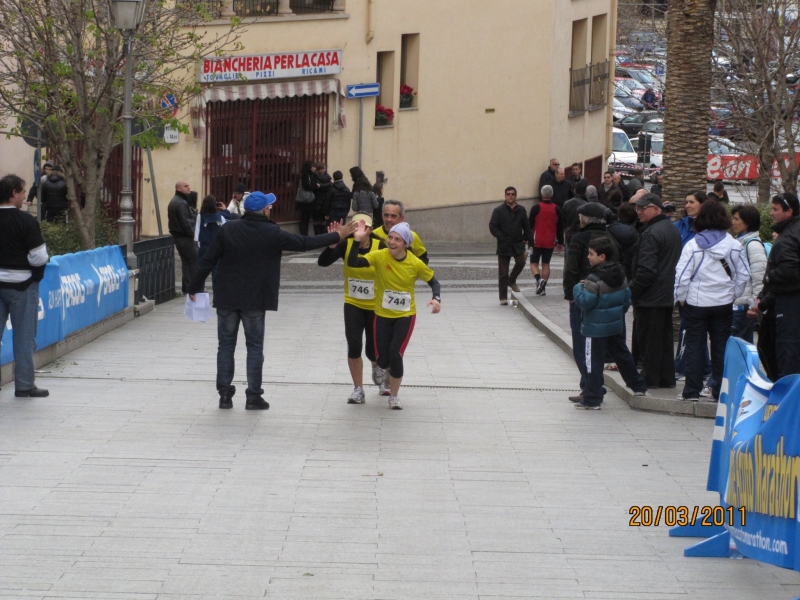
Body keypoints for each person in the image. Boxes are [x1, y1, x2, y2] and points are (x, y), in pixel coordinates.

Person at [187, 191, 357, 410]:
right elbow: (305, 243)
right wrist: (337, 235)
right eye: (269, 206)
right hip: (256, 299)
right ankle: (253, 396)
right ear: (265, 210)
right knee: (255, 347)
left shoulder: (228, 229)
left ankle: (225, 395)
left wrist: (194, 287)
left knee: (225, 346)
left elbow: (208, 259)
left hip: (227, 297)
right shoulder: (273, 232)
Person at [347, 221, 441, 410]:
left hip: (405, 316)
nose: (392, 242)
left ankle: (394, 397)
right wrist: (356, 241)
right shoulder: (380, 256)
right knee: (381, 358)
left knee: (395, 354)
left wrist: (436, 299)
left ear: (405, 243)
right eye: (390, 237)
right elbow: (353, 262)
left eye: (398, 239)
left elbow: (434, 282)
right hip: (382, 315)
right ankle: (383, 369)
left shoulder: (414, 263)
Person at [674, 200, 749, 401]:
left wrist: (681, 297)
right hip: (723, 303)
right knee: (721, 348)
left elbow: (682, 276)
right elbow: (743, 275)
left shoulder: (693, 244)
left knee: (695, 346)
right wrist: (733, 294)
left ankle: (691, 391)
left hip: (696, 303)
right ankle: (719, 391)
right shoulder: (734, 245)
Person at [573, 237, 648, 409]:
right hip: (614, 325)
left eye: (591, 254)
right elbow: (626, 299)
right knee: (623, 355)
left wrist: (577, 288)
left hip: (594, 328)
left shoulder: (593, 279)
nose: (588, 257)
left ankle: (592, 398)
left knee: (593, 362)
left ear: (602, 257)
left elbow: (586, 302)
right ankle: (638, 386)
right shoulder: (620, 275)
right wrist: (616, 314)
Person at [318, 213, 384, 403]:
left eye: (362, 227)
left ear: (370, 230)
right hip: (353, 303)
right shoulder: (346, 245)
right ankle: (358, 389)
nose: (358, 231)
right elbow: (323, 262)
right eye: (354, 227)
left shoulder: (380, 246)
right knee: (354, 345)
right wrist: (331, 246)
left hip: (375, 306)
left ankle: (377, 368)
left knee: (373, 349)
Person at [563, 202, 619, 403]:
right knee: (596, 347)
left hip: (583, 298)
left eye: (581, 217)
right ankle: (591, 385)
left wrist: (570, 294)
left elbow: (571, 268)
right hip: (605, 298)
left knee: (581, 345)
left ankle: (590, 387)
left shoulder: (580, 238)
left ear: (585, 219)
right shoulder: (611, 239)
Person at [0, 175, 49, 398]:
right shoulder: (26, 221)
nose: (24, 196)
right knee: (24, 337)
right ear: (13, 194)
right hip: (23, 286)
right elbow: (39, 256)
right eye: (22, 192)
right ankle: (24, 385)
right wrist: (35, 275)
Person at [629, 193, 682, 389]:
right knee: (664, 340)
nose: (639, 212)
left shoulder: (651, 234)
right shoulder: (670, 229)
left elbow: (646, 271)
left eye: (643, 208)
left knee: (649, 341)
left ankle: (650, 378)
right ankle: (666, 378)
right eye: (637, 208)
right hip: (665, 295)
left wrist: (631, 291)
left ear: (656, 209)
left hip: (650, 296)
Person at [749, 193, 800, 378]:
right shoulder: (790, 233)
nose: (771, 213)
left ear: (789, 211)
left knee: (788, 351)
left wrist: (768, 278)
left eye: (775, 209)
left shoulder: (787, 238)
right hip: (784, 302)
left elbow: (789, 272)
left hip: (790, 306)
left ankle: (788, 398)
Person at [673, 191, 708, 383]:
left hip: (698, 285)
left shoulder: (707, 228)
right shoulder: (680, 225)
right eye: (686, 202)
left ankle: (683, 366)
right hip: (682, 281)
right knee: (691, 328)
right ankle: (705, 367)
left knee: (689, 328)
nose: (687, 205)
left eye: (692, 202)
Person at [730, 204, 766, 343]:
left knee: (737, 346)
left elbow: (759, 278)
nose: (733, 222)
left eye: (736, 219)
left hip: (744, 307)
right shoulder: (739, 242)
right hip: (739, 305)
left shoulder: (753, 245)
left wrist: (755, 305)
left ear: (748, 222)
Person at [489, 187, 531, 305]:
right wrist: (501, 237)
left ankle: (511, 280)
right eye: (508, 194)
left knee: (521, 262)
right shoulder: (499, 210)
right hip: (504, 244)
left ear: (516, 196)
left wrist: (528, 239)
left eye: (513, 194)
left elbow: (526, 226)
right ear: (505, 196)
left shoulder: (521, 210)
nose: (510, 196)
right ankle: (503, 297)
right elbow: (493, 227)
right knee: (503, 272)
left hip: (518, 244)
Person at [528, 185, 564, 296]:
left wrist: (526, 238)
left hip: (536, 240)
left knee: (533, 263)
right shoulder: (557, 209)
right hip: (550, 240)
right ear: (552, 194)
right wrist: (560, 242)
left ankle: (539, 280)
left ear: (541, 194)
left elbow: (530, 225)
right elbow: (560, 227)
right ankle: (543, 288)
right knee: (546, 264)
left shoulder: (536, 208)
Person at [168, 180, 199, 294]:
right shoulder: (181, 203)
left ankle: (187, 287)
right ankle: (194, 288)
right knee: (194, 261)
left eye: (188, 186)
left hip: (179, 237)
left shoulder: (176, 201)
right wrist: (193, 234)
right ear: (179, 189)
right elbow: (185, 222)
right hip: (185, 237)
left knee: (186, 262)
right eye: (186, 186)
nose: (189, 188)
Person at [194, 195, 230, 284]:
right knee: (216, 271)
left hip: (204, 246)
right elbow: (226, 226)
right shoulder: (220, 217)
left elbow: (197, 232)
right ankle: (217, 293)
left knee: (201, 272)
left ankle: (199, 291)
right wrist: (224, 209)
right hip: (216, 247)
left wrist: (199, 244)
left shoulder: (200, 216)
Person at [608, 202, 640, 281]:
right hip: (629, 274)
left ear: (618, 215)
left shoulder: (608, 230)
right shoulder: (637, 234)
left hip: (609, 273)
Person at [561, 180, 588, 247]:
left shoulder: (566, 203)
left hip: (569, 233)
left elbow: (563, 220)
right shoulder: (586, 205)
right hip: (581, 234)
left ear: (574, 191)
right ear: (585, 192)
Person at [298, 160, 317, 236]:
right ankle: (304, 235)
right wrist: (315, 185)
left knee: (306, 219)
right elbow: (307, 186)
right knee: (304, 219)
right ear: (309, 167)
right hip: (305, 201)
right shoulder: (306, 175)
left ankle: (304, 235)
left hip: (308, 201)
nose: (315, 168)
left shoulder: (310, 175)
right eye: (313, 167)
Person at [313, 162, 332, 235]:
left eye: (325, 168)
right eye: (322, 169)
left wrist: (321, 186)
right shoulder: (315, 177)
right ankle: (318, 235)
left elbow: (330, 185)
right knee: (317, 220)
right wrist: (325, 185)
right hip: (317, 201)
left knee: (323, 220)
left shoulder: (327, 177)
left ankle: (322, 234)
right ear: (318, 169)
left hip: (324, 201)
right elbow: (317, 186)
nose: (324, 170)